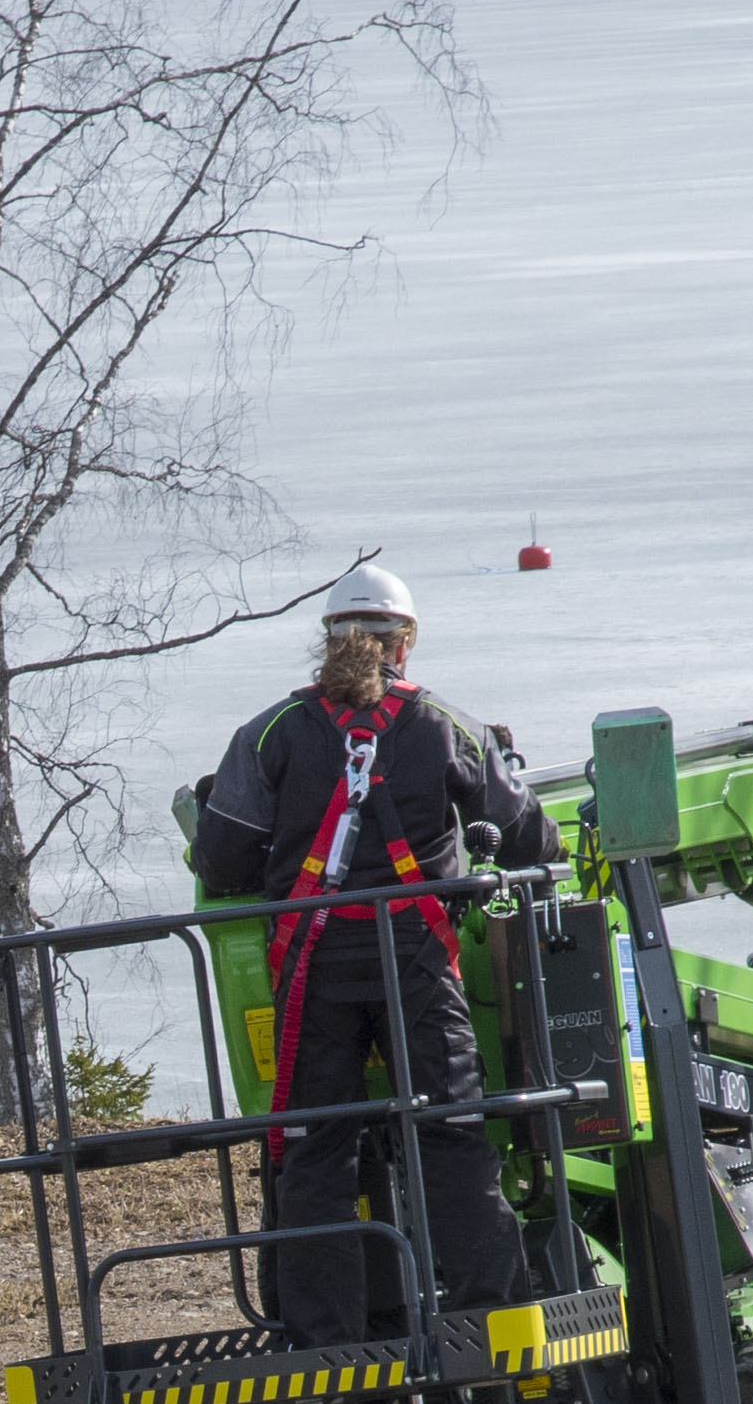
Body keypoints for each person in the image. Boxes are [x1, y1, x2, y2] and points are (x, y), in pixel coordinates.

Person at [191, 555, 551, 1341]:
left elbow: (222, 861)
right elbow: (531, 838)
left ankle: (324, 1333)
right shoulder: (448, 729)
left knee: (315, 1144)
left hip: (314, 970)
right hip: (418, 965)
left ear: (328, 643)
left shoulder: (271, 735)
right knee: (453, 1128)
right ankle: (492, 1313)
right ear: (405, 642)